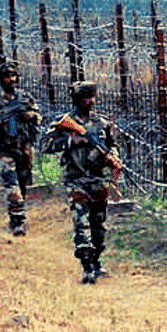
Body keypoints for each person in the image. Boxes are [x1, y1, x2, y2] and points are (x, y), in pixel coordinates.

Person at [42, 81, 122, 284]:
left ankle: (96, 262)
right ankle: (87, 267)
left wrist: (112, 157)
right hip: (76, 179)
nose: (91, 101)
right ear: (77, 100)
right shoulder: (66, 122)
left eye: (92, 97)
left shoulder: (101, 123)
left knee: (98, 224)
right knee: (81, 224)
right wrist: (71, 142)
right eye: (86, 97)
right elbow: (45, 145)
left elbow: (111, 145)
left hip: (98, 179)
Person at [0, 62, 41, 235]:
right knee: (12, 186)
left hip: (23, 148)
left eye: (13, 76)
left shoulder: (25, 98)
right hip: (4, 149)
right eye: (7, 77)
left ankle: (17, 214)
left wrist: (31, 115)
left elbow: (38, 118)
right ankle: (18, 223)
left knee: (22, 185)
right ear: (1, 80)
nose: (11, 79)